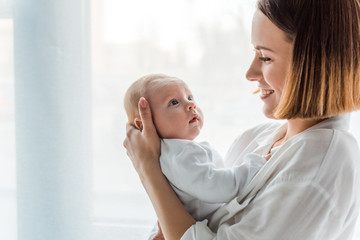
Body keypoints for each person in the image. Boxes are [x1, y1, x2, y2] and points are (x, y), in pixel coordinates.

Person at [123, 0, 360, 239]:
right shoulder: (256, 138)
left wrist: (148, 169)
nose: (250, 73)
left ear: (313, 63)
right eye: (255, 53)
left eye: (265, 57)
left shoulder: (325, 160)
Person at [124, 73, 267, 221]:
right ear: (145, 125)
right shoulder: (181, 154)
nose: (191, 104)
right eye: (174, 102)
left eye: (190, 97)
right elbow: (218, 187)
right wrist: (255, 165)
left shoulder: (169, 154)